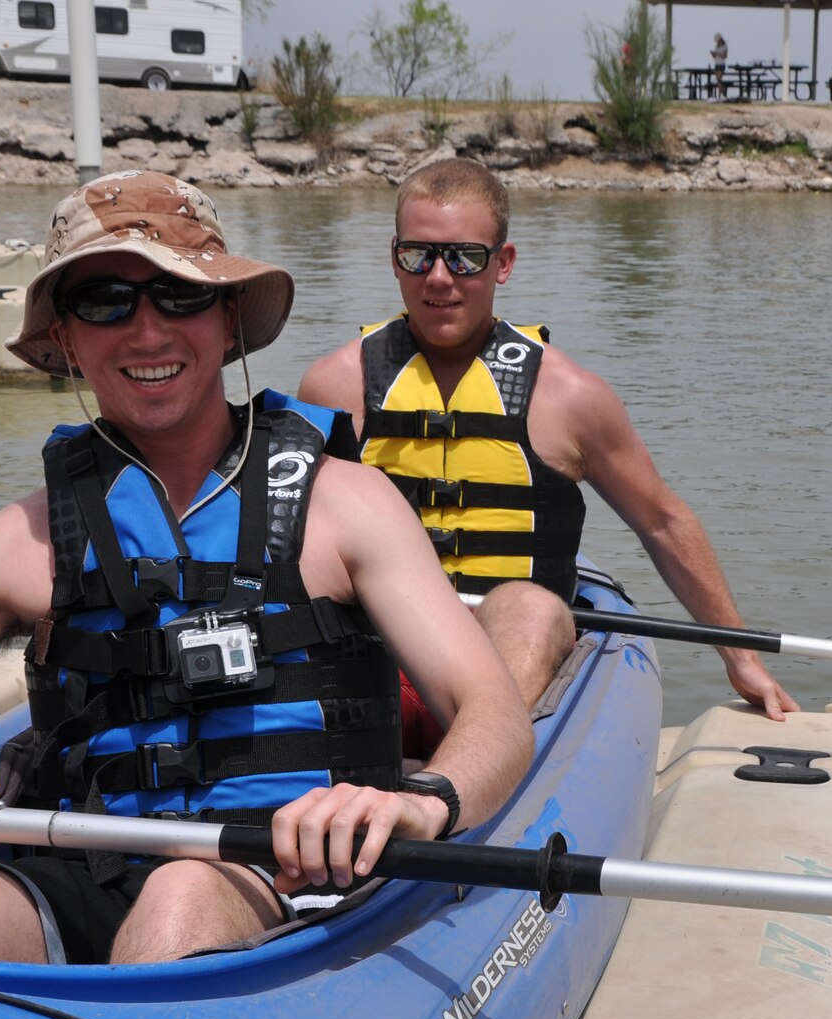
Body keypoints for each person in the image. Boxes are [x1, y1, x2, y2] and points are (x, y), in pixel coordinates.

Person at [0, 170, 532, 967]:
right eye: (104, 300)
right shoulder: (15, 545)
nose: (146, 332)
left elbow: (493, 713)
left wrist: (424, 801)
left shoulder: (350, 507)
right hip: (81, 870)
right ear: (64, 336)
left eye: (180, 296)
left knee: (183, 893)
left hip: (294, 875)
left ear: (228, 319)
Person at [296, 159, 798, 729]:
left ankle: (465, 771)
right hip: (377, 651)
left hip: (504, 651)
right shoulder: (334, 384)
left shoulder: (570, 396)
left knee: (534, 608)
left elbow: (661, 520)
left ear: (503, 264)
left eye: (465, 257)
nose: (439, 277)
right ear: (395, 258)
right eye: (419, 254)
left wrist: (740, 658)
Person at [711, 32, 728, 99]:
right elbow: (715, 57)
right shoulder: (716, 46)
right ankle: (722, 90)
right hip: (716, 63)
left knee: (719, 79)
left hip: (721, 64)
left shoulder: (724, 46)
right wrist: (713, 54)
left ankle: (720, 93)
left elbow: (725, 56)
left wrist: (718, 53)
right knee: (718, 80)